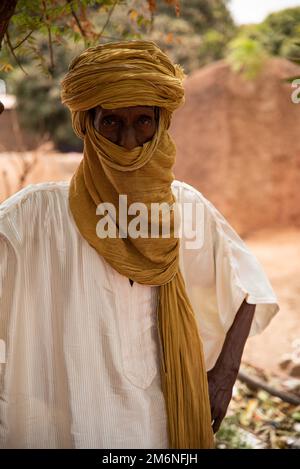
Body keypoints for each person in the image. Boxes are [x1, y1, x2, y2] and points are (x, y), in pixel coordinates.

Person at [0, 40, 279, 449]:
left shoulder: (187, 209)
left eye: (142, 122)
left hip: (159, 420)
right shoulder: (35, 215)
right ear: (87, 125)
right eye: (111, 122)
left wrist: (223, 377)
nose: (129, 142)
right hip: (65, 419)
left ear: (161, 124)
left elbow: (249, 288)